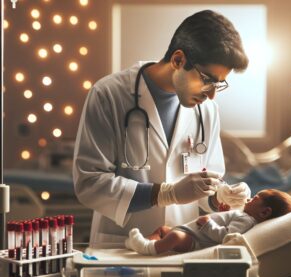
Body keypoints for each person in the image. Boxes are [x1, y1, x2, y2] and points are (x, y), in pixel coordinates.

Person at [73, 10, 251, 249]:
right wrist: (165, 194)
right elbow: (90, 183)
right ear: (178, 60)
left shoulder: (207, 111)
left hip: (184, 246)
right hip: (121, 246)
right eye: (208, 79)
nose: (211, 94)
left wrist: (219, 196)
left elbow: (208, 181)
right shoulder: (109, 94)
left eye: (219, 83)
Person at [125, 189, 291, 255]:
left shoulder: (247, 220)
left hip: (196, 241)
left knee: (174, 237)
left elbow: (225, 236)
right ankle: (144, 242)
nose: (250, 198)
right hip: (190, 232)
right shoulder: (243, 216)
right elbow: (228, 225)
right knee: (163, 229)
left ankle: (148, 249)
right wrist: (224, 213)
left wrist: (209, 224)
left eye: (255, 198)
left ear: (265, 212)